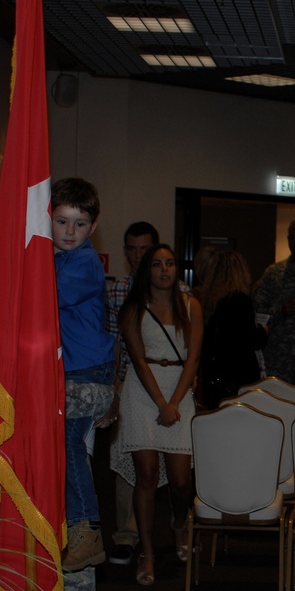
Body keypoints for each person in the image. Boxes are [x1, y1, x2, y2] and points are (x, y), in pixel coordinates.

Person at [117, 244, 202, 586]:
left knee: (181, 480)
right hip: (142, 393)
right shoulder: (134, 309)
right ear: (146, 271)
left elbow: (194, 358)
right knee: (147, 476)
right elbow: (137, 361)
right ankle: (147, 551)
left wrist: (175, 402)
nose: (164, 270)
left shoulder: (191, 305)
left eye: (169, 263)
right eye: (156, 264)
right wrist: (160, 404)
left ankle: (179, 523)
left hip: (179, 391)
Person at [52, 178, 115, 572]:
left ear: (93, 226)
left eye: (79, 223)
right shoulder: (61, 258)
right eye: (61, 222)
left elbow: (47, 295)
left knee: (69, 443)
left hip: (85, 367)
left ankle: (87, 532)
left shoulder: (83, 262)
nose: (70, 231)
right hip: (73, 365)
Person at [105, 221, 159, 566]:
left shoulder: (176, 289)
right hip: (128, 384)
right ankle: (127, 534)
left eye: (144, 249)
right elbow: (112, 343)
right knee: (128, 460)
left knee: (173, 466)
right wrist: (111, 388)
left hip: (167, 383)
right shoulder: (117, 290)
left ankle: (176, 525)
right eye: (132, 249)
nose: (137, 255)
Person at [253, 219, 295, 386]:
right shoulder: (273, 273)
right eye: (292, 238)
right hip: (277, 357)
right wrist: (280, 310)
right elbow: (258, 311)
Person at [199, 249, 267, 408]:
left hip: (214, 378)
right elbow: (249, 339)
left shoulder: (208, 302)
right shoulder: (241, 300)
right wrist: (263, 333)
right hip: (238, 379)